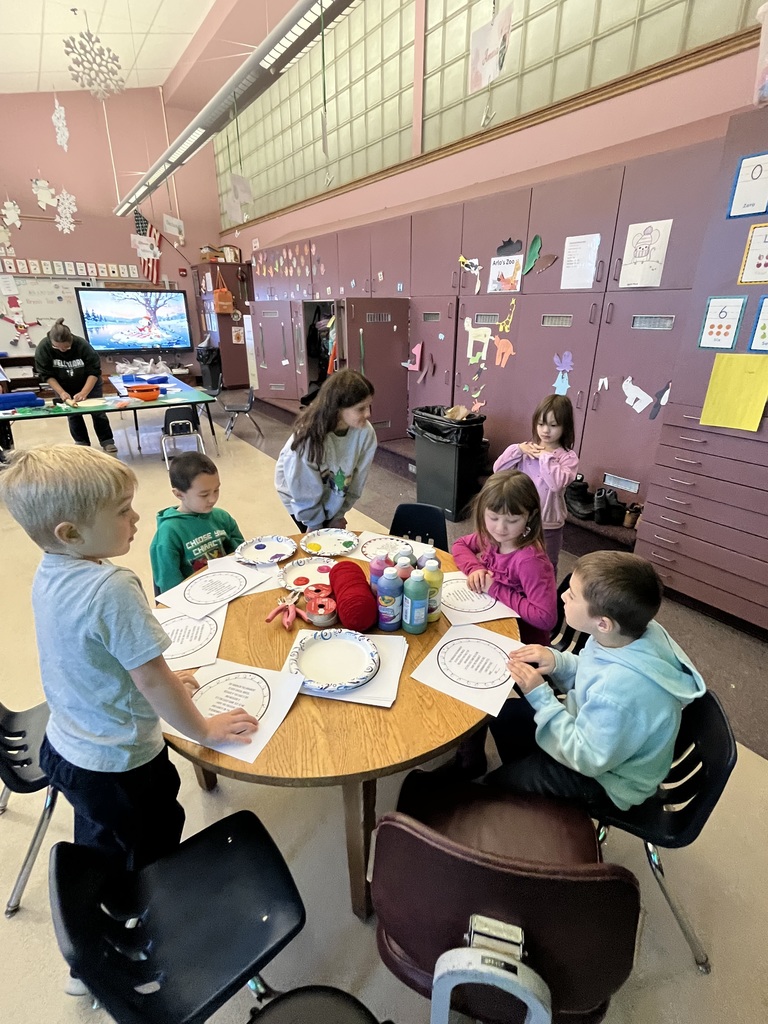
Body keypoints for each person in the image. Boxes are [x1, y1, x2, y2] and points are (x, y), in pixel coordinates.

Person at [0, 445, 258, 874]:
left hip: (67, 747)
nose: (137, 518)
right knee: (149, 843)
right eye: (123, 511)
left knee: (107, 837)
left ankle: (106, 895)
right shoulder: (113, 586)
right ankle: (145, 918)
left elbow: (99, 652)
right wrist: (204, 728)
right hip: (121, 762)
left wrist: (168, 675)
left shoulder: (50, 569)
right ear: (70, 532)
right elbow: (152, 680)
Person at [481, 551, 706, 813]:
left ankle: (532, 807)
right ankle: (531, 775)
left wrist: (541, 695)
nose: (562, 595)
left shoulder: (619, 692)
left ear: (603, 623)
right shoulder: (629, 635)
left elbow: (586, 757)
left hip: (606, 780)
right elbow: (592, 671)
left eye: (572, 595)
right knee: (505, 716)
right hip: (595, 735)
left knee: (494, 787)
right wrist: (558, 662)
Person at [452, 469, 557, 646]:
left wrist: (495, 589)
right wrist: (475, 568)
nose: (501, 528)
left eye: (513, 521)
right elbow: (460, 545)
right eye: (493, 517)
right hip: (491, 622)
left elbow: (545, 618)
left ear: (530, 517)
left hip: (521, 642)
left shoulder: (530, 561)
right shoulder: (491, 537)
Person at [275, 368, 377, 531]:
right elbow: (303, 492)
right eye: (360, 408)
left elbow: (357, 481)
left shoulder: (365, 432)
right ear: (338, 409)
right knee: (317, 542)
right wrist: (315, 524)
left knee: (332, 538)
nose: (368, 413)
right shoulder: (307, 438)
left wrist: (338, 515)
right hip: (299, 498)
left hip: (331, 490)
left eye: (369, 406)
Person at [492, 395, 578, 573]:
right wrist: (517, 449)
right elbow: (498, 471)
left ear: (565, 427)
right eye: (541, 424)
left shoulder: (568, 457)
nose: (546, 430)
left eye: (553, 425)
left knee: (546, 564)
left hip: (548, 525)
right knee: (515, 558)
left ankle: (544, 599)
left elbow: (556, 484)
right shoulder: (526, 450)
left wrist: (546, 456)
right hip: (520, 520)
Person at [150, 451, 244, 594]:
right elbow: (170, 587)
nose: (213, 499)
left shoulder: (222, 517)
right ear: (179, 494)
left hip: (230, 588)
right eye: (204, 494)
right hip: (195, 601)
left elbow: (242, 556)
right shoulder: (168, 534)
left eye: (216, 490)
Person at [34, 317, 118, 454]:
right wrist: (61, 393)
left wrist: (84, 392)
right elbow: (46, 374)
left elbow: (94, 371)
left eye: (66, 348)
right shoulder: (43, 348)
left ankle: (107, 441)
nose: (62, 351)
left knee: (98, 412)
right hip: (62, 384)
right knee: (73, 414)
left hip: (89, 382)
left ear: (71, 340)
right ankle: (82, 443)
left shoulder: (82, 345)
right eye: (58, 348)